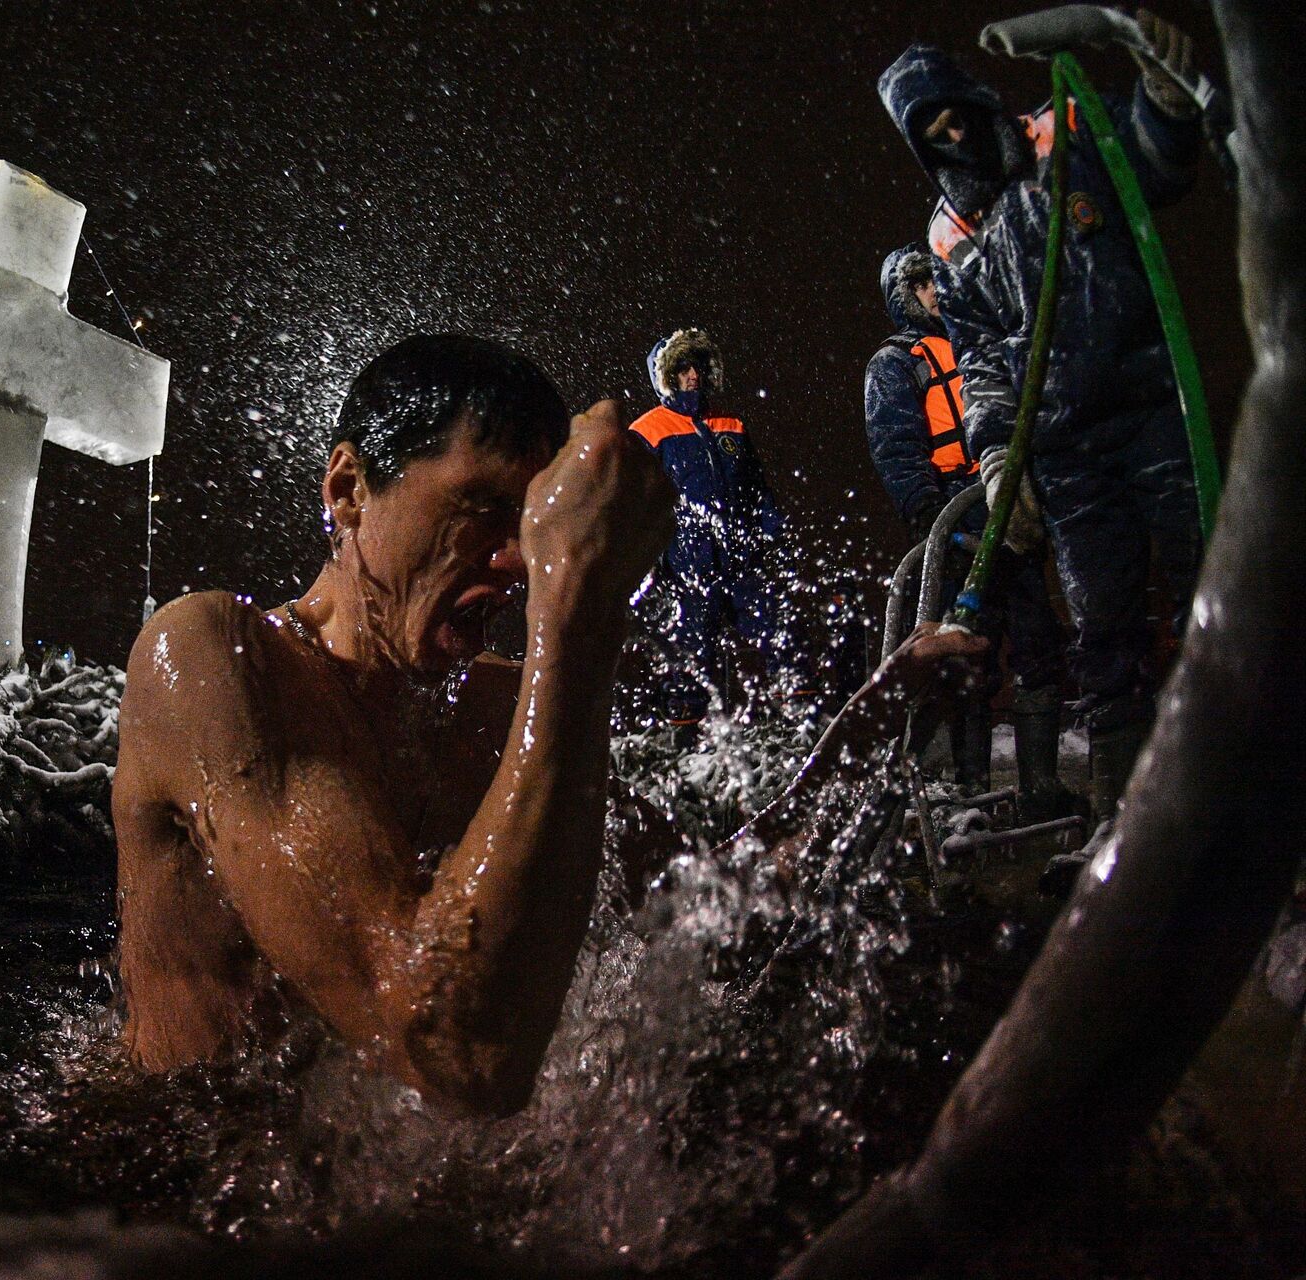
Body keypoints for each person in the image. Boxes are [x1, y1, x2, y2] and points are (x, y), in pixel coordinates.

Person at [113, 334, 986, 1115]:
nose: (516, 562)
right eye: (481, 509)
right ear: (347, 490)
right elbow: (452, 1049)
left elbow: (703, 901)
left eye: (529, 526)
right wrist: (579, 614)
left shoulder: (493, 709)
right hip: (174, 1193)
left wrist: (870, 725)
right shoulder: (213, 659)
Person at [877, 10, 1205, 820]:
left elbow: (1161, 167)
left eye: (955, 111)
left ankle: (1255, 784)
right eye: (932, 133)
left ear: (977, 96)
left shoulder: (1065, 132)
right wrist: (996, 459)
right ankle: (1126, 815)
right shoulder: (951, 235)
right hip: (1061, 450)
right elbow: (982, 361)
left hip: (1151, 406)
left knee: (1216, 585)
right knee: (1103, 633)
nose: (954, 133)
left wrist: (1163, 92)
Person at [864, 246, 1070, 816]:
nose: (935, 291)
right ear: (904, 295)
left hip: (1004, 503)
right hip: (954, 517)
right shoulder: (895, 363)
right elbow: (897, 448)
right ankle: (970, 789)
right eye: (922, 284)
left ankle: (1039, 789)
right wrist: (930, 518)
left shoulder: (975, 342)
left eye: (937, 280)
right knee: (967, 657)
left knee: (1038, 642)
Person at [629, 329, 815, 737]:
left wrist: (776, 538)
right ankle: (685, 748)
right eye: (681, 367)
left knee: (783, 636)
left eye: (697, 365)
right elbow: (634, 508)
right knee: (691, 663)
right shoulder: (646, 432)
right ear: (665, 375)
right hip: (686, 568)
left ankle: (802, 733)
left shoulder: (731, 425)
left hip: (742, 560)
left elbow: (758, 490)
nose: (692, 374)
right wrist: (647, 567)